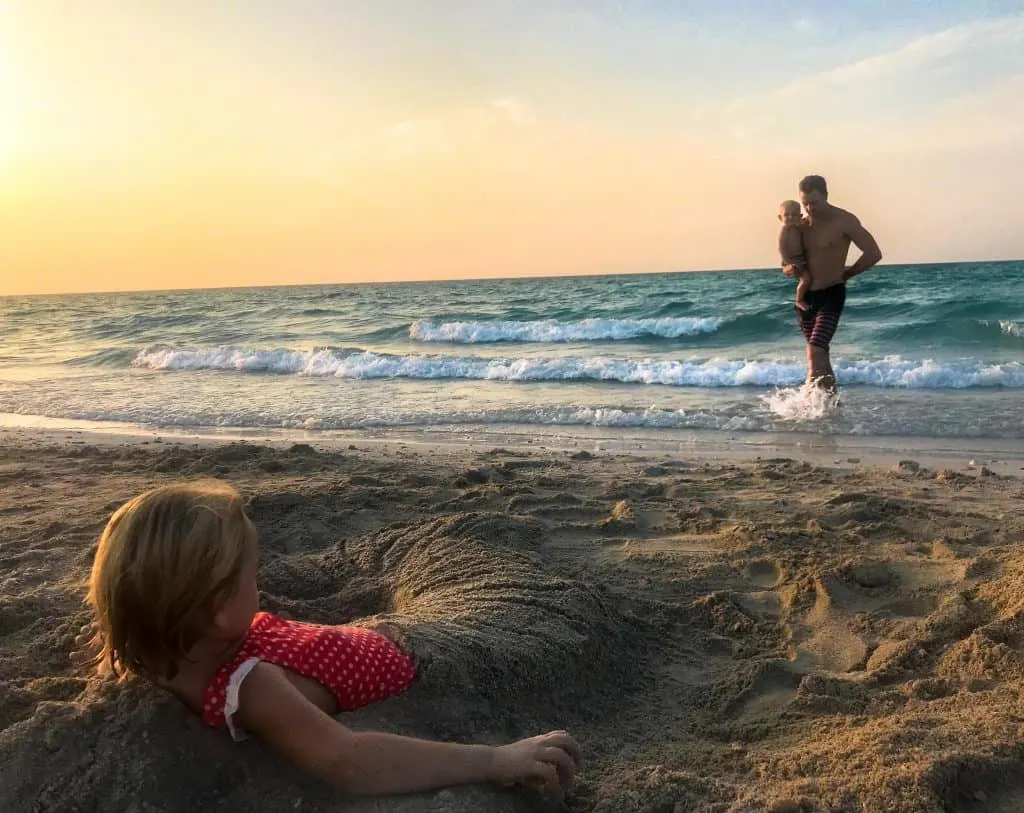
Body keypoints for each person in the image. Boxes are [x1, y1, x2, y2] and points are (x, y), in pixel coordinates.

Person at [73, 480, 581, 800]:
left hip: (340, 638)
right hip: (406, 652)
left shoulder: (143, 653)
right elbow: (353, 761)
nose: (261, 583)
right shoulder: (253, 688)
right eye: (254, 576)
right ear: (217, 610)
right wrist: (493, 760)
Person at [782, 175, 882, 392]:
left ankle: (806, 402)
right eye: (805, 203)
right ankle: (831, 406)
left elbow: (873, 253)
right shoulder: (801, 226)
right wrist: (789, 269)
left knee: (815, 350)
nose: (809, 208)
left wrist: (848, 274)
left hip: (832, 293)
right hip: (806, 299)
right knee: (820, 355)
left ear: (826, 196)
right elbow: (787, 262)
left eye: (814, 203)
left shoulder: (844, 220)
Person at [777, 199, 810, 311]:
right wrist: (790, 263)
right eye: (787, 215)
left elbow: (805, 224)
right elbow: (781, 249)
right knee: (806, 279)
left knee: (811, 277)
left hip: (800, 259)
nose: (791, 217)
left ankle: (807, 297)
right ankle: (799, 300)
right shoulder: (785, 230)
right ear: (780, 218)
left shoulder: (797, 227)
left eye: (794, 215)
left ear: (800, 216)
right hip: (790, 260)